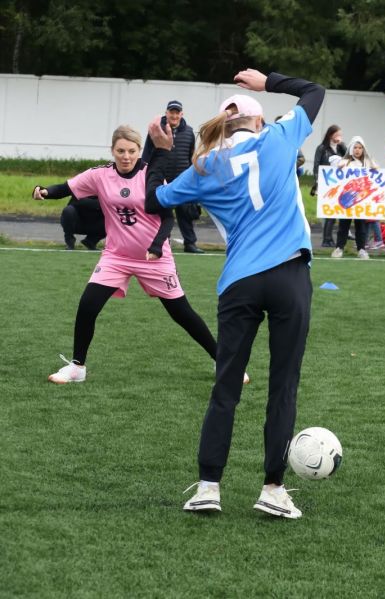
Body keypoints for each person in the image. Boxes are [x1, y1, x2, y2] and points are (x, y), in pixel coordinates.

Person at [145, 68, 325, 519]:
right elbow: (314, 90)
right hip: (288, 274)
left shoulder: (205, 166)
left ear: (223, 126)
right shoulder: (278, 138)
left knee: (226, 387)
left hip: (239, 281)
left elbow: (154, 201)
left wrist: (162, 155)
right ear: (258, 122)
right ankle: (273, 489)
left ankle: (209, 487)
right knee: (283, 386)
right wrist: (268, 82)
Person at [33, 125, 220, 385]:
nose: (126, 156)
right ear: (112, 150)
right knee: (88, 306)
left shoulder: (151, 175)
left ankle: (222, 360)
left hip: (154, 258)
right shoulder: (100, 175)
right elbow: (67, 187)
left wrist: (157, 246)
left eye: (131, 151)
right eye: (120, 151)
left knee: (182, 313)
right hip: (116, 257)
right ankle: (77, 367)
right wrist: (44, 191)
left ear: (139, 151)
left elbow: (167, 218)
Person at [142, 100, 203, 253]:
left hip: (182, 179)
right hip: (161, 178)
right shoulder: (157, 130)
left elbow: (191, 156)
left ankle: (190, 244)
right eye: (171, 112)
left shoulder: (189, 132)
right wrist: (144, 171)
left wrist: (192, 176)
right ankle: (164, 242)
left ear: (181, 114)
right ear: (166, 113)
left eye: (177, 112)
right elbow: (147, 153)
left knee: (185, 213)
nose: (174, 115)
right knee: (163, 213)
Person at [331, 136, 378, 259]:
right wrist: (341, 165)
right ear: (351, 148)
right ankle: (339, 248)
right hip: (347, 199)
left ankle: (361, 249)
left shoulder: (367, 162)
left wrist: (373, 166)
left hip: (361, 200)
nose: (357, 150)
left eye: (360, 148)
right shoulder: (346, 162)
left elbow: (376, 173)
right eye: (355, 147)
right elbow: (337, 170)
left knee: (361, 226)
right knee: (343, 225)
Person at [313, 125, 346, 247]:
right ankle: (326, 239)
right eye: (337, 134)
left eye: (340, 135)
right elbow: (316, 165)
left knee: (335, 212)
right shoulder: (322, 148)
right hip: (327, 182)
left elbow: (348, 157)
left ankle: (330, 238)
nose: (339, 137)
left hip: (338, 183)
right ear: (330, 135)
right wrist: (317, 182)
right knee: (329, 213)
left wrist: (342, 145)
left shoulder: (340, 148)